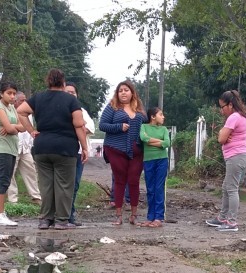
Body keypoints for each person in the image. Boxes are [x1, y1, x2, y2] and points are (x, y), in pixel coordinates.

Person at [16, 68, 89, 230]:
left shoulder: (38, 98)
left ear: (48, 81)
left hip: (42, 146)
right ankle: (61, 220)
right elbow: (78, 125)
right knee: (64, 184)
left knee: (46, 184)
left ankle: (45, 219)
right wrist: (84, 147)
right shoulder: (71, 100)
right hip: (65, 147)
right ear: (63, 83)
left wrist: (31, 130)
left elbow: (21, 111)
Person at [99, 80, 146, 225]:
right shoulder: (112, 107)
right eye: (120, 91)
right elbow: (102, 125)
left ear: (132, 92)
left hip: (137, 151)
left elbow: (147, 125)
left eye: (126, 90)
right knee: (120, 180)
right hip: (116, 149)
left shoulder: (139, 109)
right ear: (117, 94)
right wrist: (119, 127)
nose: (123, 93)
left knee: (134, 181)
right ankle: (119, 216)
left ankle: (134, 215)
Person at [205, 90, 246, 232]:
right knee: (227, 187)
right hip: (240, 156)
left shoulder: (234, 117)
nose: (221, 110)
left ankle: (231, 222)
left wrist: (223, 133)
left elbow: (220, 138)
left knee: (231, 189)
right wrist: (224, 134)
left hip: (235, 157)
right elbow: (224, 136)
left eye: (222, 107)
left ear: (230, 105)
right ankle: (222, 218)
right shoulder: (243, 117)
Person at [0, 80, 23, 227]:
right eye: (9, 93)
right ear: (1, 93)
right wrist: (12, 128)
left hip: (12, 147)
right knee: (3, 180)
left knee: (7, 180)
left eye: (14, 94)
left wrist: (13, 126)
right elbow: (9, 130)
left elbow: (22, 126)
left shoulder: (11, 107)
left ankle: (2, 213)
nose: (12, 96)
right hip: (2, 147)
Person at [65, 82, 95, 226]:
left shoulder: (81, 110)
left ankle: (70, 213)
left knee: (75, 184)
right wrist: (79, 127)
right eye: (67, 92)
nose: (70, 94)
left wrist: (78, 127)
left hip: (79, 152)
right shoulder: (59, 109)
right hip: (64, 152)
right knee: (64, 184)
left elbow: (90, 127)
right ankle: (60, 214)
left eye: (73, 92)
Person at [6, 92, 42, 205]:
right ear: (15, 101)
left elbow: (29, 130)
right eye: (22, 100)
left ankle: (36, 197)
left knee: (30, 171)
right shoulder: (9, 111)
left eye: (25, 100)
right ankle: (12, 199)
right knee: (10, 173)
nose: (24, 102)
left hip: (25, 148)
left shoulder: (28, 114)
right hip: (13, 147)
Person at [139, 107, 171, 227]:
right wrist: (159, 142)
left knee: (159, 188)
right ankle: (150, 217)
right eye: (161, 114)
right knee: (150, 189)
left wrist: (150, 141)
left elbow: (167, 143)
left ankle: (158, 217)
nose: (163, 117)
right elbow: (143, 138)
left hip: (162, 160)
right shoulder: (144, 127)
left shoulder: (164, 129)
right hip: (148, 160)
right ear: (153, 116)